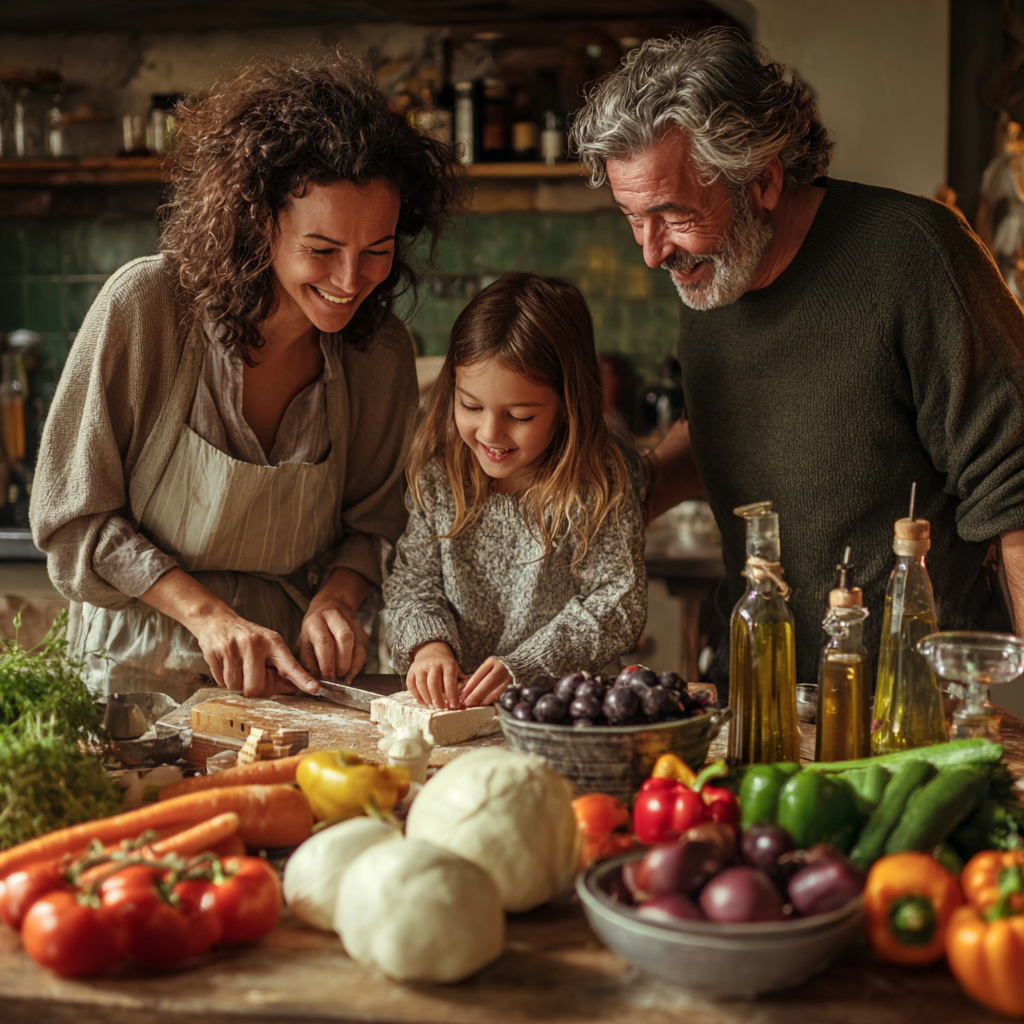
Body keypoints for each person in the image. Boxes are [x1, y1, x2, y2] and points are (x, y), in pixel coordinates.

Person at [570, 28, 1024, 690]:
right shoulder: (714, 272)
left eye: (671, 215)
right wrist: (614, 498)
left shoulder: (915, 255)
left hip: (910, 710)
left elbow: (1014, 485)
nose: (651, 251)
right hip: (760, 697)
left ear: (763, 183)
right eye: (632, 217)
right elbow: (734, 429)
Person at [30, 53, 463, 701]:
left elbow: (374, 523)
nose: (351, 283)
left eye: (377, 251)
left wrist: (335, 602)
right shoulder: (147, 306)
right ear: (261, 221)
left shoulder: (380, 352)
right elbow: (72, 520)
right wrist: (207, 615)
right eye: (322, 251)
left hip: (284, 684)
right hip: (131, 679)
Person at [383, 273, 647, 710]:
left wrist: (527, 666)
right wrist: (428, 646)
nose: (490, 432)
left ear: (568, 404)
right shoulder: (439, 475)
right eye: (470, 406)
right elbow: (413, 583)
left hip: (556, 712)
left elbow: (616, 605)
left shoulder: (598, 485)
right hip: (451, 712)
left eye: (520, 415)